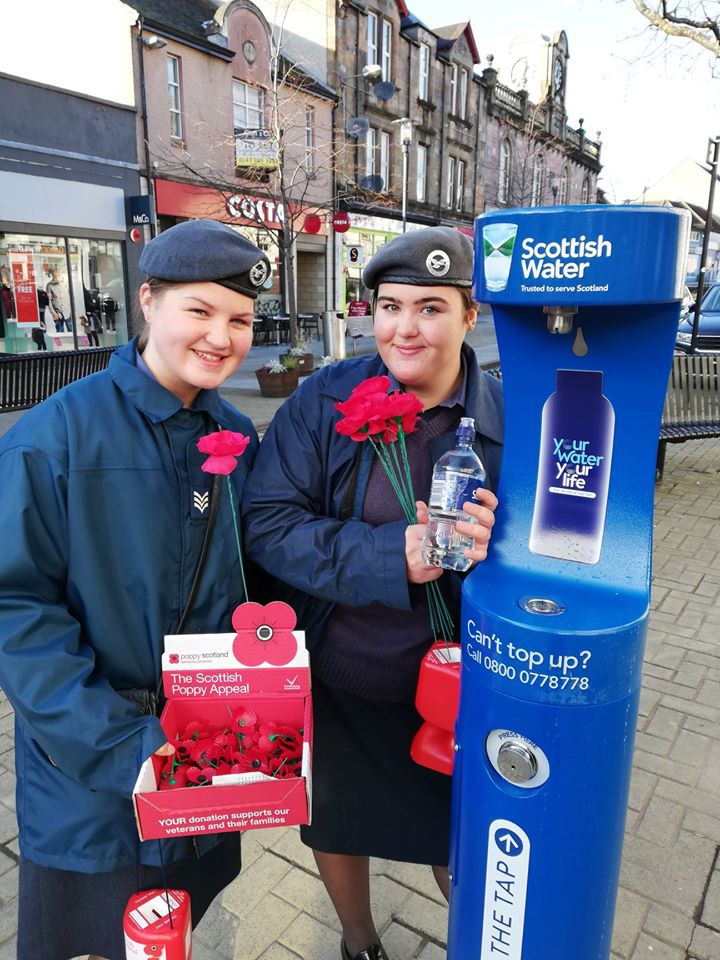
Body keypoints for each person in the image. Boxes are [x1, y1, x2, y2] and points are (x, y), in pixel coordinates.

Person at [0, 219, 271, 960]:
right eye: (200, 311)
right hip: (91, 776)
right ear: (148, 301)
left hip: (207, 759)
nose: (222, 336)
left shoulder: (242, 438)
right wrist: (132, 752)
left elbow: (261, 582)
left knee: (176, 927)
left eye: (241, 320)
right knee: (94, 933)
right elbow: (15, 611)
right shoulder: (54, 437)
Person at [243, 227, 503, 960]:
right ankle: (359, 942)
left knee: (460, 837)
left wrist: (497, 546)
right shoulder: (325, 400)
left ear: (468, 316)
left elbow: (548, 563)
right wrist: (394, 554)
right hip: (342, 672)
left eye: (431, 308)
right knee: (337, 822)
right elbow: (268, 522)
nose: (405, 328)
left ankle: (481, 941)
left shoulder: (507, 421)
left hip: (459, 688)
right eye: (390, 307)